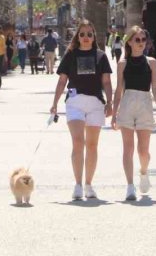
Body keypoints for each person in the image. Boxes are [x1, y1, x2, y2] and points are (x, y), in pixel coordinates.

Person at [50, 20, 113, 200]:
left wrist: (110, 103)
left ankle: (88, 184)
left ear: (94, 37)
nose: (86, 38)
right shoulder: (70, 55)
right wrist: (54, 103)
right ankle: (77, 184)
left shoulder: (101, 56)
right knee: (78, 142)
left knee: (92, 145)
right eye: (82, 34)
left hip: (96, 104)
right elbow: (62, 81)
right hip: (75, 102)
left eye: (89, 34)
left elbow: (107, 82)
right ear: (78, 37)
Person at [111, 26, 156, 200]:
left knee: (143, 150)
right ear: (129, 42)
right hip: (127, 103)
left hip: (145, 103)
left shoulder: (151, 62)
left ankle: (143, 171)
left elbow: (155, 86)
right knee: (128, 147)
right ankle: (129, 186)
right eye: (137, 40)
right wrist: (114, 113)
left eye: (143, 40)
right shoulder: (122, 63)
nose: (141, 43)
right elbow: (118, 89)